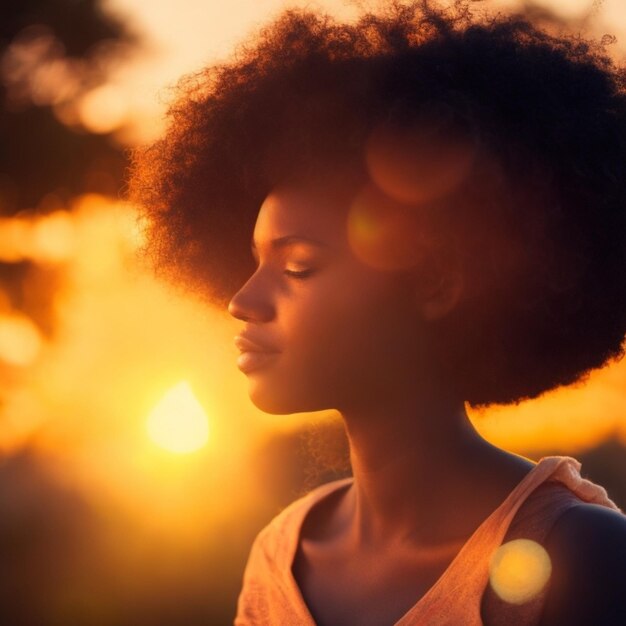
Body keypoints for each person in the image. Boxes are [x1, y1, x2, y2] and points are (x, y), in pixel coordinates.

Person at [129, 2, 626, 624]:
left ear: (436, 280)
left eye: (299, 267)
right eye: (251, 262)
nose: (242, 300)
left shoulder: (585, 555)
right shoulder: (281, 556)